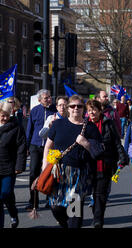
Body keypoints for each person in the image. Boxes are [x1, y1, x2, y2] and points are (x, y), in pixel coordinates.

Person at [42, 95, 103, 228]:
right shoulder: (58, 124)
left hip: (79, 175)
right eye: (73, 106)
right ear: (68, 108)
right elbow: (48, 146)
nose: (76, 108)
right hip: (57, 172)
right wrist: (44, 167)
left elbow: (98, 152)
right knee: (55, 207)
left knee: (74, 211)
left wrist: (85, 143)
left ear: (83, 109)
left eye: (79, 106)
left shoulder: (90, 128)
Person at [86, 99, 129, 228]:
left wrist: (122, 157)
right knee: (89, 193)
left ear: (100, 111)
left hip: (104, 164)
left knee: (101, 194)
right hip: (88, 165)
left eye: (94, 109)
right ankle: (87, 215)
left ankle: (98, 219)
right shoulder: (84, 124)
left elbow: (116, 142)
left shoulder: (108, 123)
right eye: (89, 110)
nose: (92, 112)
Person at [25, 89, 57, 211]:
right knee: (33, 172)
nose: (49, 99)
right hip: (35, 145)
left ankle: (50, 199)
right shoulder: (34, 110)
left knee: (49, 173)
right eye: (46, 98)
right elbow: (30, 129)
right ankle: (33, 201)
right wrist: (27, 147)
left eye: (50, 97)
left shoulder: (55, 110)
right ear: (39, 100)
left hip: (50, 146)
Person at [0, 102, 26, 228]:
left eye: (6, 115)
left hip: (9, 167)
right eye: (2, 115)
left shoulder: (16, 127)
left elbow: (21, 147)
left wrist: (19, 166)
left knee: (5, 194)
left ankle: (13, 213)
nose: (4, 118)